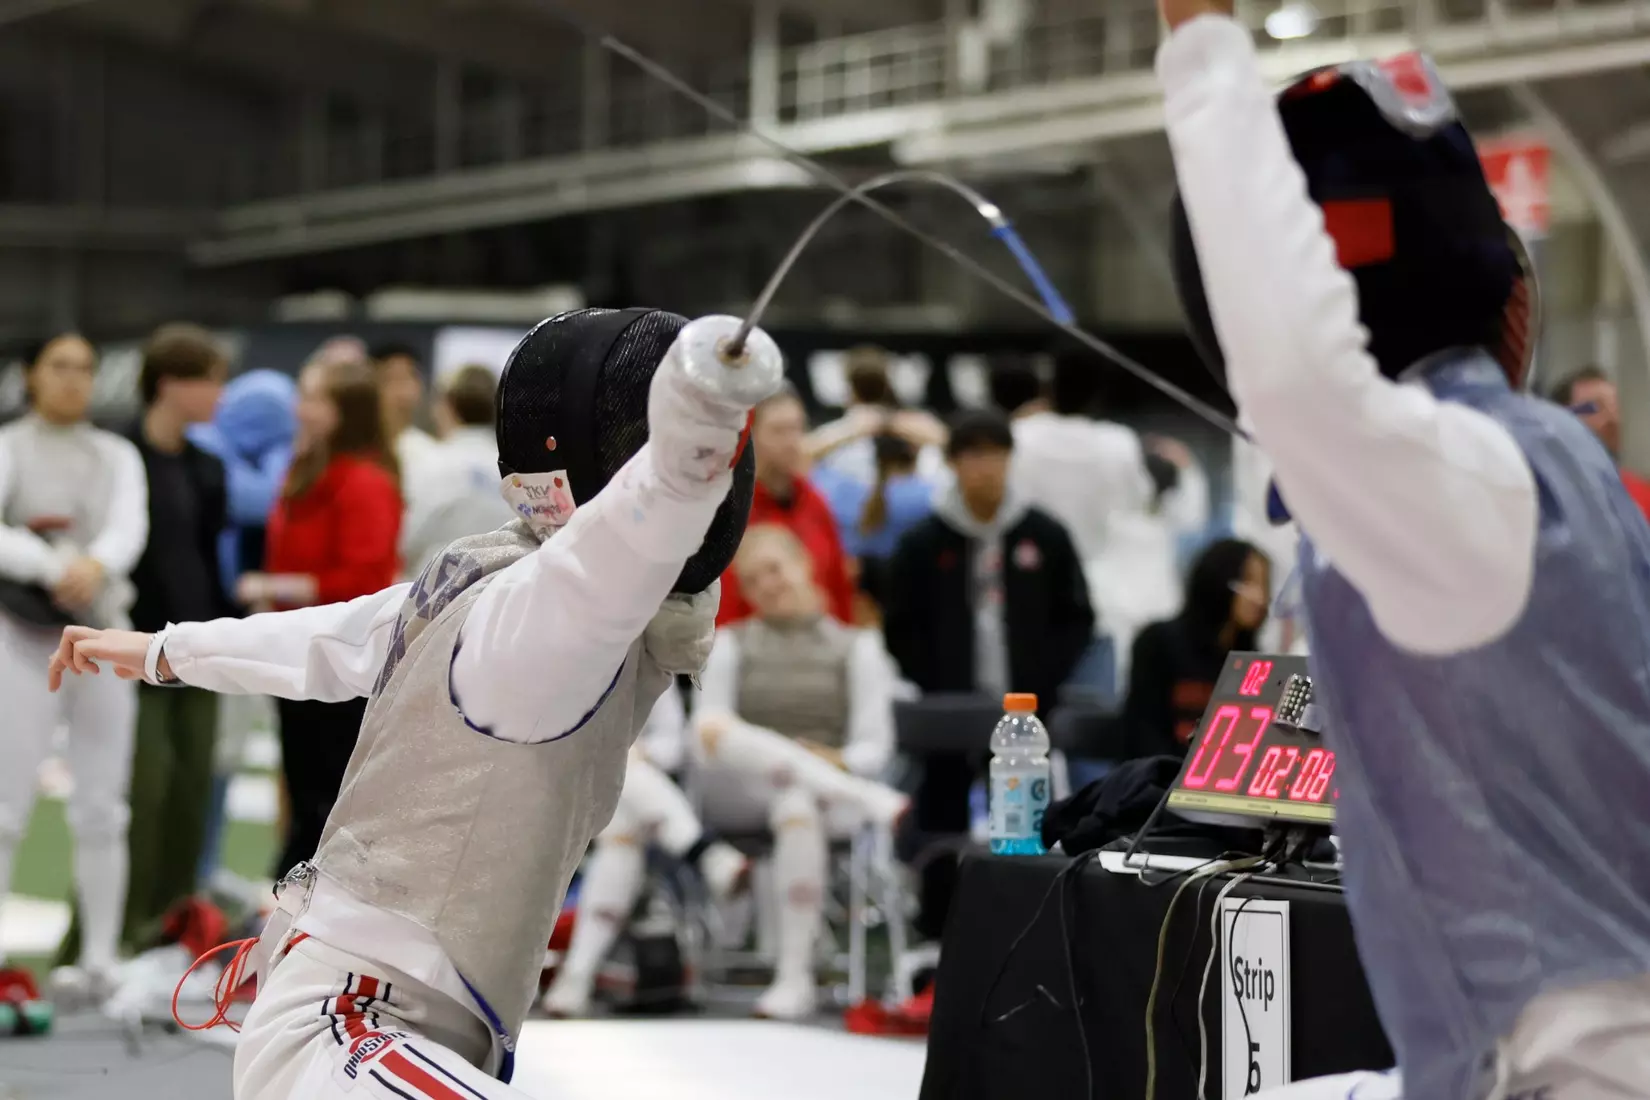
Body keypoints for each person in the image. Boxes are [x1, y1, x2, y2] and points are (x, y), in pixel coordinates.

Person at [47, 306, 783, 1100]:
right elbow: (613, 550)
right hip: (349, 1025)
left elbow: (340, 637)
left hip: (394, 1016)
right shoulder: (527, 610)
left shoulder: (498, 580)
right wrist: (688, 452)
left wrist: (165, 651)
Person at [1163, 1, 1650, 1096]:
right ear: (1512, 302)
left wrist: (1201, 49)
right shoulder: (1557, 465)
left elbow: (1298, 379)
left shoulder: (1475, 485)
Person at [545, 524, 907, 1021]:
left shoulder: (858, 648)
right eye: (755, 581)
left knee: (794, 801)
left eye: (775, 571)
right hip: (740, 789)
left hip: (821, 795)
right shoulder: (731, 644)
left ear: (804, 564)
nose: (769, 587)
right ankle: (866, 803)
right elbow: (707, 735)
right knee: (715, 726)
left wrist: (835, 762)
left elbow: (875, 746)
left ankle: (793, 977)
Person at [55, 325, 232, 966]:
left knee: (189, 795)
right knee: (139, 793)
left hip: (198, 645)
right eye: (208, 379)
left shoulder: (206, 468)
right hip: (132, 646)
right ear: (170, 384)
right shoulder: (117, 458)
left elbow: (208, 559)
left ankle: (168, 934)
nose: (218, 393)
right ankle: (100, 940)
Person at [883, 409, 1093, 938]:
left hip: (1026, 708)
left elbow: (1077, 616)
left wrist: (1046, 679)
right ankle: (937, 933)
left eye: (995, 454)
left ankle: (1024, 926)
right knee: (942, 816)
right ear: (953, 463)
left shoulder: (1043, 534)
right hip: (950, 710)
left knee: (1026, 820)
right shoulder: (924, 541)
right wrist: (935, 680)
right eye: (972, 455)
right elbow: (899, 623)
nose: (985, 468)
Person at [0, 332, 148, 996]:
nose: (73, 380)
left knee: (103, 805)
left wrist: (96, 565)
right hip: (18, 636)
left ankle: (98, 960)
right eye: (59, 367)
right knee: (4, 808)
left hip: (100, 637)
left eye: (85, 369)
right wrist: (53, 564)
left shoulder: (115, 453)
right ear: (31, 376)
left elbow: (126, 528)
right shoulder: (9, 445)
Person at [240, 357, 401, 878]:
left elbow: (363, 580)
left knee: (329, 791)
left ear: (343, 411)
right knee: (302, 780)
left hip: (342, 657)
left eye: (314, 398)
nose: (300, 409)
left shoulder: (366, 482)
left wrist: (274, 587)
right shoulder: (305, 467)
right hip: (297, 650)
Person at [186, 369, 297, 886]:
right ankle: (189, 870)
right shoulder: (202, 443)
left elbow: (271, 492)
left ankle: (203, 867)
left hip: (236, 622)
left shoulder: (243, 452)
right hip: (190, 617)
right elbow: (259, 498)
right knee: (188, 758)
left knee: (225, 753)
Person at [716, 384, 856, 627]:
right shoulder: (730, 511)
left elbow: (838, 588)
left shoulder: (815, 501)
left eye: (797, 428)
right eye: (778, 431)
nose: (792, 441)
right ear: (750, 436)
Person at [1121, 538, 1268, 760]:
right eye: (1248, 581)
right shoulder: (1157, 643)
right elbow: (1143, 735)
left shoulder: (1254, 663)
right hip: (1157, 783)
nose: (1260, 597)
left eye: (1265, 585)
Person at [399, 364, 514, 578]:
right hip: (496, 587)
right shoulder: (512, 469)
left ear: (447, 406)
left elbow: (406, 540)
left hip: (432, 592)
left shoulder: (430, 463)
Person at [819, 433, 936, 612]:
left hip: (858, 604)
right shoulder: (931, 497)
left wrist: (854, 429)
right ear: (915, 452)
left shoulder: (844, 493)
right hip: (917, 603)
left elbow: (804, 460)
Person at [805, 346, 947, 486]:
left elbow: (948, 441)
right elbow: (804, 452)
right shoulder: (849, 426)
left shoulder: (903, 422)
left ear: (850, 390)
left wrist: (888, 422)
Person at [1551, 365, 1650, 522]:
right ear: (1562, 418)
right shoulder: (1546, 494)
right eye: (1595, 407)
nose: (1613, 419)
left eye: (1614, 406)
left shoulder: (1641, 495)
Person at [371, 341, 437, 478]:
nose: (402, 391)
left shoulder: (430, 452)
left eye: (408, 378)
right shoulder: (361, 453)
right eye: (391, 379)